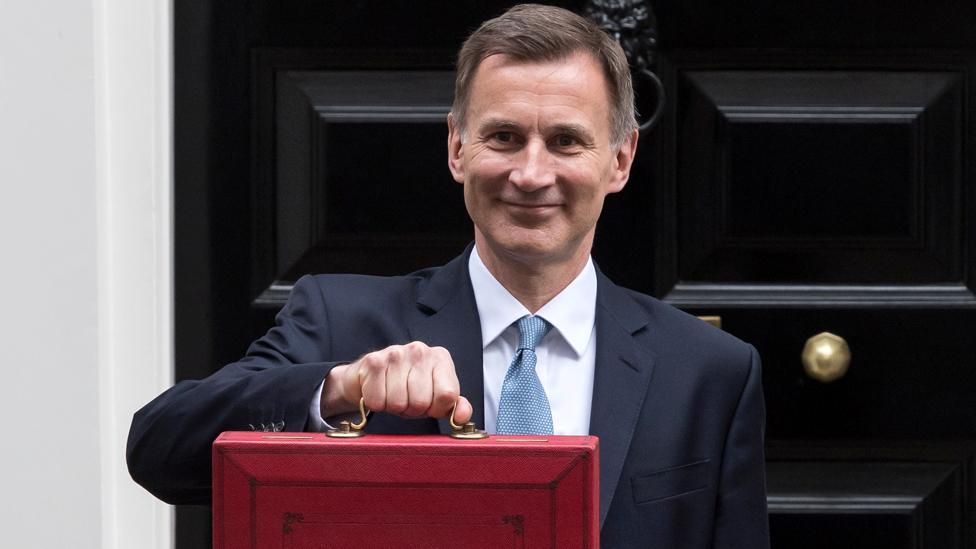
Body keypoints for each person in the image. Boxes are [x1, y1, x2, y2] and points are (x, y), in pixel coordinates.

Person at [127, 4, 769, 547]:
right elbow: (158, 449)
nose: (532, 173)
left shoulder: (710, 371)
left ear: (620, 159)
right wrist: (341, 387)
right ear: (458, 147)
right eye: (505, 137)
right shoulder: (339, 322)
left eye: (567, 142)